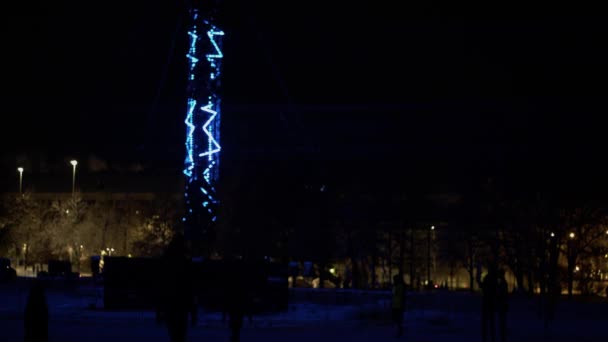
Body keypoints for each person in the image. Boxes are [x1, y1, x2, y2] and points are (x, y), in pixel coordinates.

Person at [157, 233, 196, 342]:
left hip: (171, 303)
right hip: (181, 304)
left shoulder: (166, 262)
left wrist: (159, 310)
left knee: (174, 334)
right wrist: (193, 310)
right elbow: (190, 288)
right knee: (180, 334)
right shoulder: (185, 263)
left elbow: (161, 286)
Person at [479, 265, 497, 342]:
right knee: (490, 320)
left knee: (487, 321)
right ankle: (490, 336)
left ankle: (486, 336)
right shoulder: (493, 279)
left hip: (487, 301)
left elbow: (482, 286)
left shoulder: (488, 278)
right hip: (490, 301)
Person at [496, 268, 509, 342]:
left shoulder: (502, 283)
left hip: (502, 304)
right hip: (502, 304)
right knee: (502, 320)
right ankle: (502, 334)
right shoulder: (503, 283)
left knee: (502, 320)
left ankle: (503, 334)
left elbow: (502, 294)